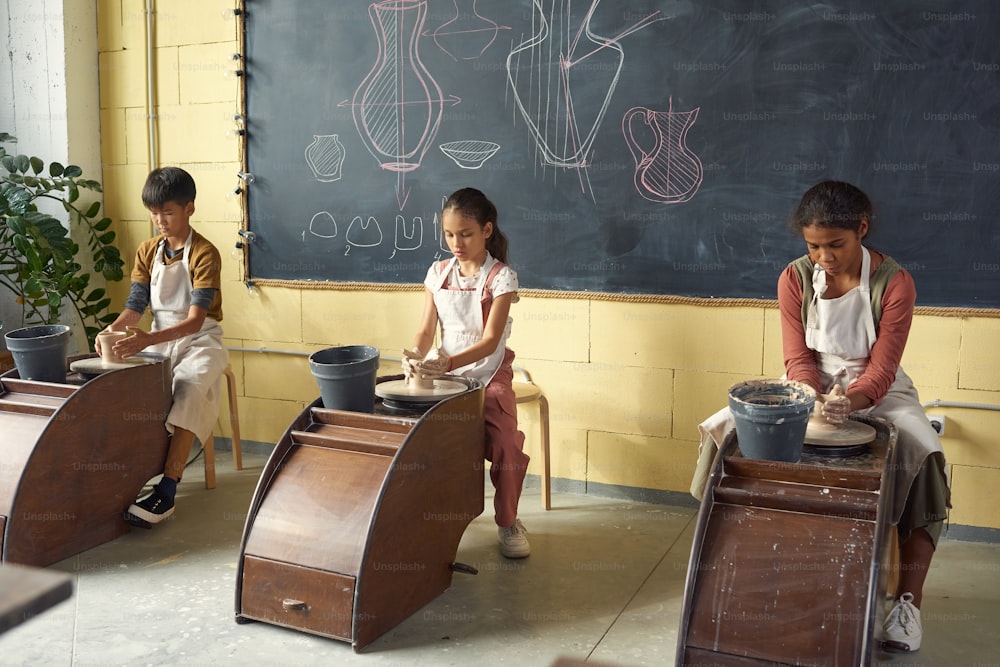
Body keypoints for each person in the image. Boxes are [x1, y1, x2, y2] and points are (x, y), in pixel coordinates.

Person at [777, 180, 950, 653]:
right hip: (811, 386)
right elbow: (797, 359)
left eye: (836, 244)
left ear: (862, 230)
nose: (824, 258)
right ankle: (769, 577)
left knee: (926, 458)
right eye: (814, 246)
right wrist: (811, 397)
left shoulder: (895, 282)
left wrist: (849, 403)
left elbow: (882, 368)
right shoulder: (794, 278)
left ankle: (908, 605)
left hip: (882, 390)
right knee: (726, 433)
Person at [97, 166, 228, 526]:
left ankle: (167, 490)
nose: (160, 221)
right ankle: (131, 476)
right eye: (154, 214)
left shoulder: (205, 253)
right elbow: (135, 308)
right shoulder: (147, 251)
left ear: (190, 209)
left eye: (168, 213)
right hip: (157, 340)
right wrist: (112, 330)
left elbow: (197, 320)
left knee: (188, 387)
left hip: (202, 340)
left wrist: (146, 339)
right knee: (127, 390)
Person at [405, 187, 530, 558]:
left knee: (506, 446)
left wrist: (448, 364)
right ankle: (426, 520)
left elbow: (491, 341)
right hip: (446, 377)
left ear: (487, 230)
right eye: (448, 234)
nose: (455, 243)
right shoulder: (438, 273)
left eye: (465, 234)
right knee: (421, 441)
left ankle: (508, 522)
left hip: (489, 376)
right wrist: (414, 354)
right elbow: (427, 330)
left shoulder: (501, 277)